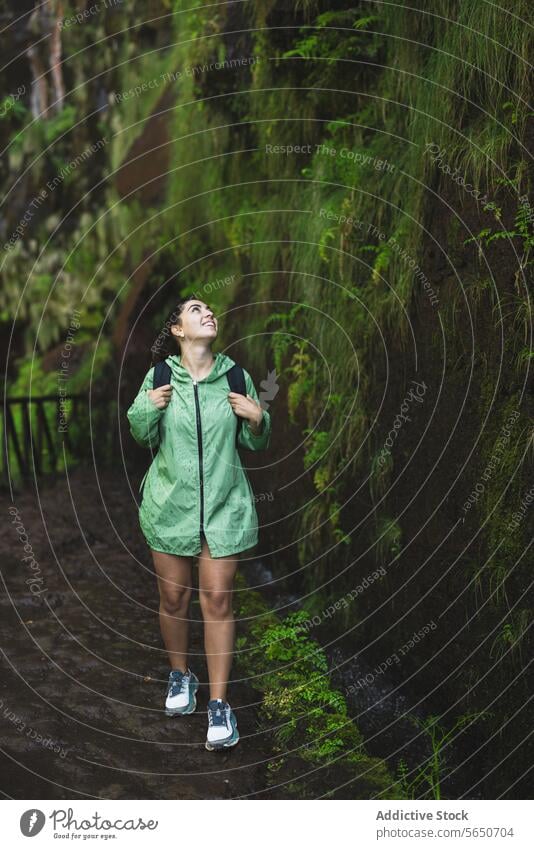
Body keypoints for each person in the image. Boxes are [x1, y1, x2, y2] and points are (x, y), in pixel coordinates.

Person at [126, 296, 272, 751]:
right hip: (171, 504)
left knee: (218, 601)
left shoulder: (234, 375)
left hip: (224, 507)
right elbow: (141, 434)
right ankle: (179, 675)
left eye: (210, 309)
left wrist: (258, 418)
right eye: (195, 310)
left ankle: (219, 704)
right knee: (173, 596)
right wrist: (148, 406)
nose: (208, 313)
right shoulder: (161, 377)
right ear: (177, 330)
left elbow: (254, 443)